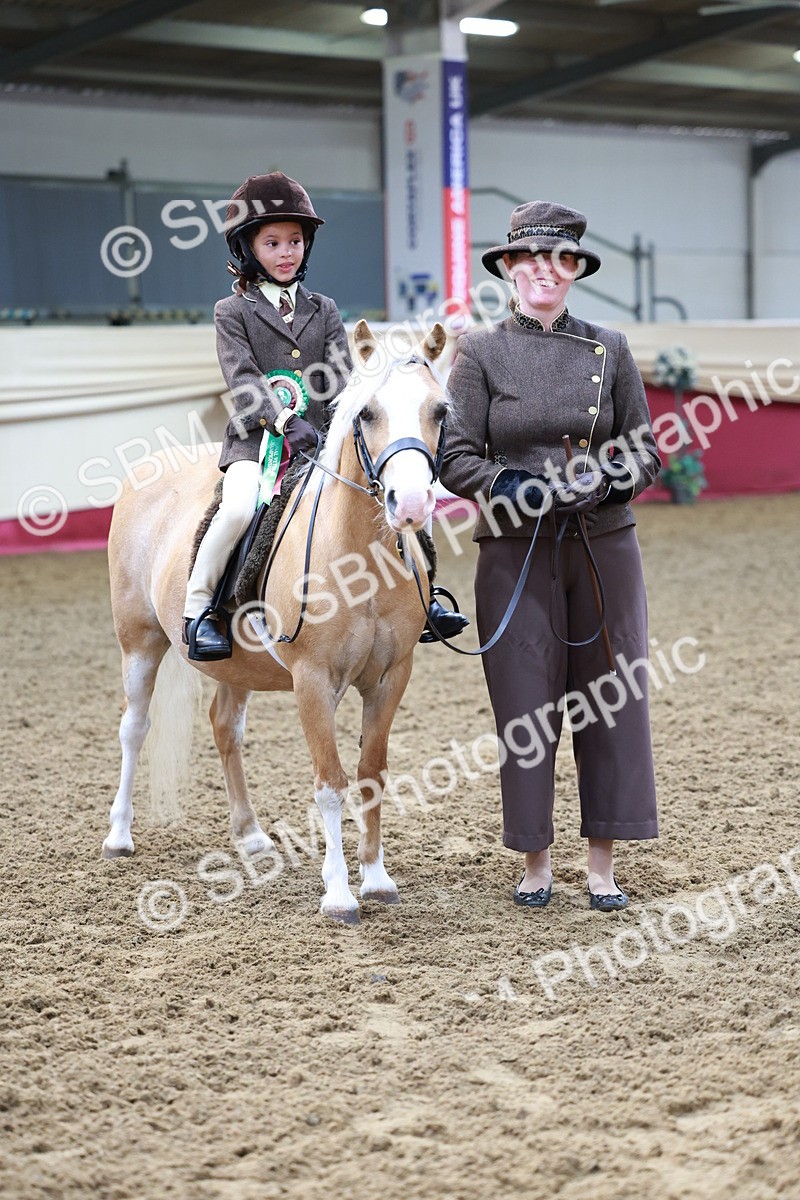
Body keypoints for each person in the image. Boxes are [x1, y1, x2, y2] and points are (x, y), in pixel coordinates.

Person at [440, 200, 661, 912]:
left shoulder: (612, 348)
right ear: (508, 267)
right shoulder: (477, 350)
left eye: (561, 259)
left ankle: (602, 864)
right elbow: (455, 457)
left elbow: (647, 447)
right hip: (515, 548)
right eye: (532, 258)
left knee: (612, 700)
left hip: (604, 546)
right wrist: (518, 485)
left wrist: (610, 476)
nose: (546, 270)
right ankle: (536, 860)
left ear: (575, 271)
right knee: (526, 706)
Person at [184, 170, 467, 661]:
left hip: (321, 441)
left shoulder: (325, 309)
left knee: (403, 491)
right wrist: (283, 421)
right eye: (272, 242)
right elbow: (243, 380)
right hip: (258, 442)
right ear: (249, 249)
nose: (286, 251)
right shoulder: (232, 312)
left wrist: (337, 422)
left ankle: (426, 596)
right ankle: (202, 610)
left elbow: (343, 380)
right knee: (236, 509)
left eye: (295, 241)